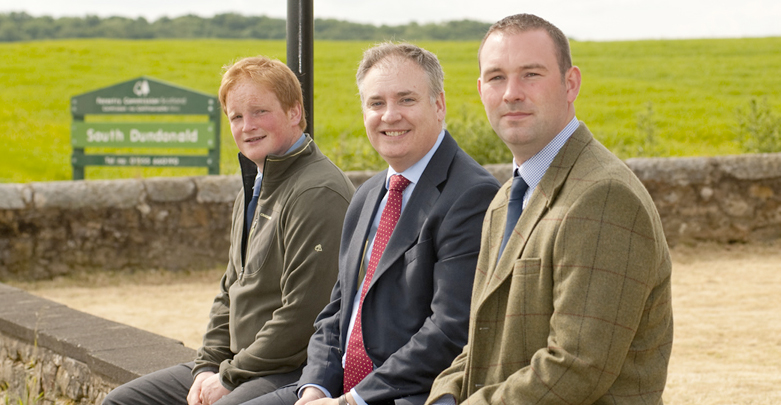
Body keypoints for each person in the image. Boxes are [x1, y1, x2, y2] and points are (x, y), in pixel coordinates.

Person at [426, 14, 674, 405]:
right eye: (496, 77)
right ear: (480, 90)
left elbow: (576, 366)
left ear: (570, 83)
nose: (511, 93)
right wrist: (445, 394)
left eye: (531, 74)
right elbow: (481, 342)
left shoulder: (604, 196)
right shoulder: (506, 198)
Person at [241, 43, 500, 405]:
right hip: (334, 389)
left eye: (406, 100)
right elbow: (337, 310)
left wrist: (353, 400)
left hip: (404, 395)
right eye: (376, 103)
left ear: (438, 105)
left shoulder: (471, 196)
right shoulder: (368, 194)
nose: (389, 115)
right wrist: (315, 387)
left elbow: (450, 331)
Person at [103, 56, 355, 405]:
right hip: (238, 363)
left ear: (295, 112)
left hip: (292, 368)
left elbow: (303, 316)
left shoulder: (317, 191)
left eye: (259, 112)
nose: (247, 125)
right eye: (236, 116)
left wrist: (228, 376)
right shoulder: (254, 186)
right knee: (122, 402)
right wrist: (206, 367)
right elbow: (229, 291)